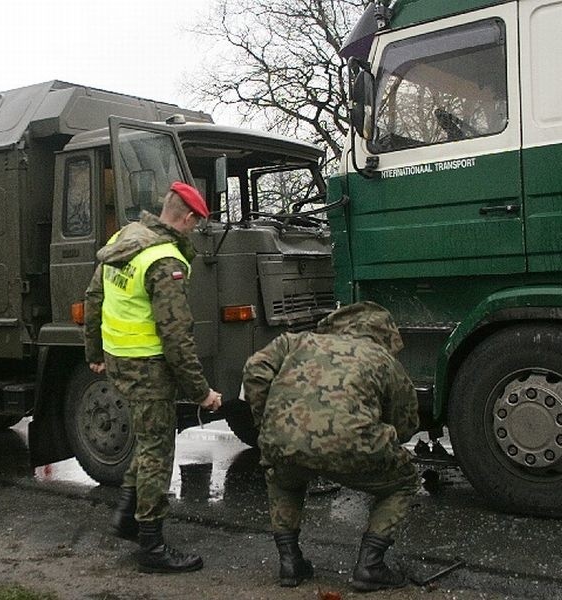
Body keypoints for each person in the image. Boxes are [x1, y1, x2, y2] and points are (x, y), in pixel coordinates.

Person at [84, 181, 222, 574]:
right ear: (189, 217)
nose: (195, 231)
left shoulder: (125, 237)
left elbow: (94, 297)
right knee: (158, 452)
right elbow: (176, 337)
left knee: (146, 443)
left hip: (119, 360)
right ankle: (152, 546)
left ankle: (127, 517)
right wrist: (203, 394)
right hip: (148, 367)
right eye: (197, 224)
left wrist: (94, 352)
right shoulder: (165, 260)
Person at [242, 301, 420, 591]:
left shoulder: (294, 341)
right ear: (383, 334)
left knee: (282, 477)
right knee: (404, 482)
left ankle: (290, 562)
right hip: (355, 447)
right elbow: (407, 424)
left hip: (285, 444)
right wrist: (374, 437)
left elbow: (255, 369)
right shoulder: (384, 360)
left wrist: (268, 422)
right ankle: (370, 566)